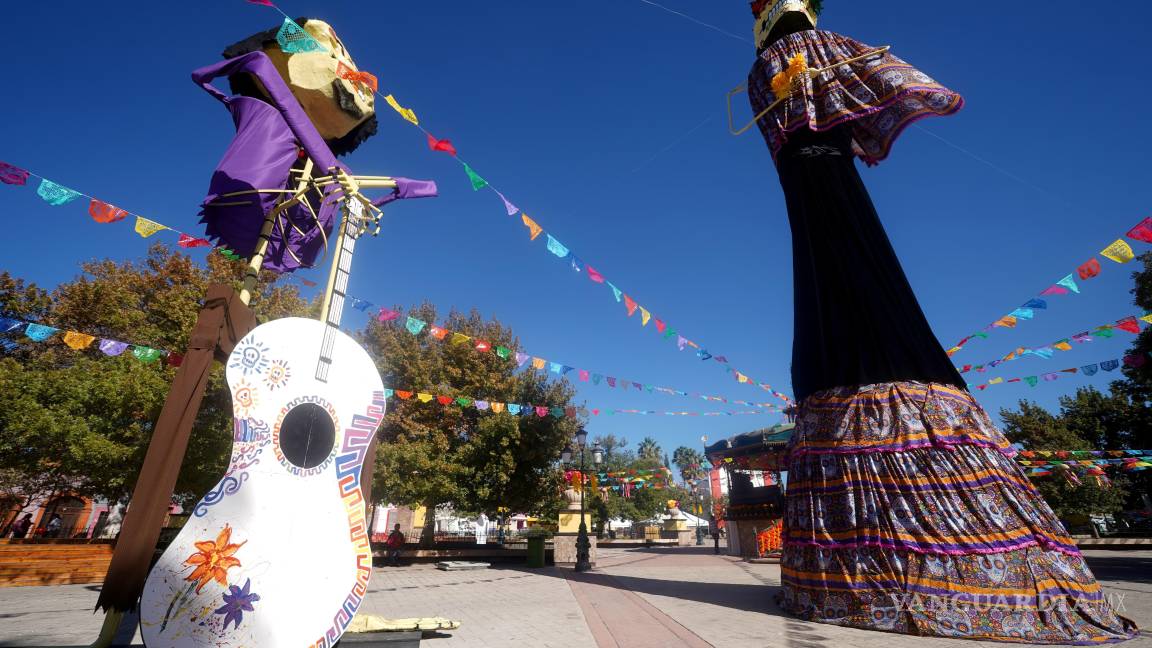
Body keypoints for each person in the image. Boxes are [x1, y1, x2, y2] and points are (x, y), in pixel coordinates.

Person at [743, 0, 1137, 642]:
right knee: (836, 280)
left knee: (841, 279)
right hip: (814, 180)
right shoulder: (794, 58)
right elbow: (895, 81)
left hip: (817, 179)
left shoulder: (771, 66)